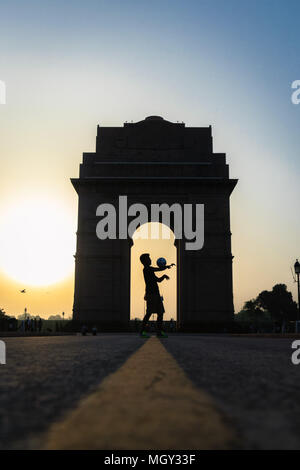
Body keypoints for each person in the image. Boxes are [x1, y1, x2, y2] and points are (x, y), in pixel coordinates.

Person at [139, 253, 175, 338]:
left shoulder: (150, 271)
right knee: (149, 313)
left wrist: (164, 276)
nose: (151, 260)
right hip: (151, 294)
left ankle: (159, 332)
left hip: (156, 294)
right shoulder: (147, 269)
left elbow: (158, 280)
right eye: (149, 259)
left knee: (160, 312)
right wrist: (166, 267)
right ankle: (142, 331)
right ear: (144, 261)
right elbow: (158, 269)